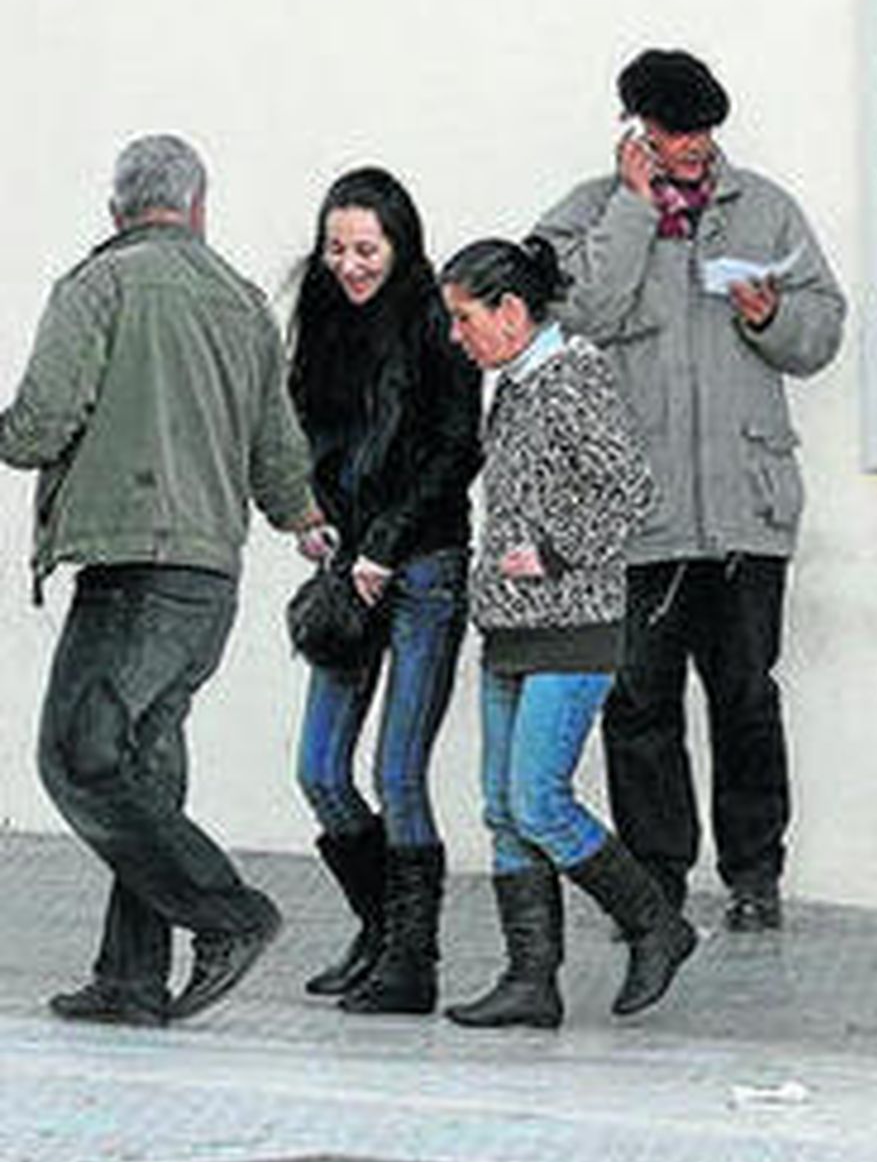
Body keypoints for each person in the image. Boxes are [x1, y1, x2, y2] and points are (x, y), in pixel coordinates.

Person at [0, 134, 323, 1027]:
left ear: (117, 209)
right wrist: (303, 519)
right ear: (199, 205)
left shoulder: (100, 284)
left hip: (133, 567)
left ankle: (229, 916)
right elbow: (278, 453)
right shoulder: (245, 301)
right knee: (140, 767)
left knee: (74, 757)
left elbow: (39, 425)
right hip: (209, 577)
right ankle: (131, 980)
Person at [535, 48, 846, 931]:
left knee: (747, 693)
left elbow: (823, 330)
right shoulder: (585, 215)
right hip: (637, 512)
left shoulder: (768, 210)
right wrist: (633, 210)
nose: (693, 148)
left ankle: (755, 873)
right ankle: (657, 881)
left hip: (746, 508)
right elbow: (577, 312)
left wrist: (771, 315)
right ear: (636, 131)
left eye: (704, 131)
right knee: (638, 703)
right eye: (674, 133)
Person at [438, 237, 695, 1026]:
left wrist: (555, 551)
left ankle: (657, 923)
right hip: (510, 626)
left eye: (464, 317)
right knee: (501, 805)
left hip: (574, 624)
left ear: (511, 312)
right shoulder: (515, 383)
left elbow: (630, 488)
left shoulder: (573, 378)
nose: (457, 335)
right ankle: (530, 979)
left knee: (537, 799)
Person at [288, 167, 482, 1016]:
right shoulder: (322, 318)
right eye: (337, 248)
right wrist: (310, 516)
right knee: (320, 769)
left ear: (399, 245)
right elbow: (302, 429)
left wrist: (386, 546)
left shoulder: (437, 322)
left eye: (366, 249)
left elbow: (455, 449)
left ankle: (414, 964)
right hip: (346, 567)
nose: (349, 264)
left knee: (398, 769)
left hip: (424, 567)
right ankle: (381, 933)